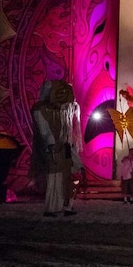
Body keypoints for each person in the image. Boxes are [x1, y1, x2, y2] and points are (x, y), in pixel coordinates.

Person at [30, 80, 83, 217]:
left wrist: (75, 158)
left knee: (68, 179)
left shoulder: (64, 109)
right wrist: (51, 145)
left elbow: (68, 134)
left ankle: (67, 206)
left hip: (64, 148)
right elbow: (44, 130)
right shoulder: (40, 109)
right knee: (54, 179)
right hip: (52, 151)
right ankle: (52, 208)